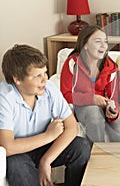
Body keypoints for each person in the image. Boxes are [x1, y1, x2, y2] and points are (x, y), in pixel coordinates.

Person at [0, 44, 91, 186]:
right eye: (37, 76)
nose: (44, 79)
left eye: (45, 72)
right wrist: (49, 135)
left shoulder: (49, 88)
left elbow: (71, 127)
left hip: (43, 148)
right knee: (18, 168)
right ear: (17, 79)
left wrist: (46, 160)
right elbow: (8, 146)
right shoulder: (4, 97)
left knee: (81, 147)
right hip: (17, 153)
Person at [60, 25, 120, 142]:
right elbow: (65, 94)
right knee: (94, 114)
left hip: (104, 104)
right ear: (85, 45)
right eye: (98, 41)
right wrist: (92, 99)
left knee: (118, 120)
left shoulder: (110, 67)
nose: (104, 46)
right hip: (82, 105)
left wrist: (112, 110)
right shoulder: (72, 63)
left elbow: (113, 97)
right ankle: (97, 156)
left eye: (105, 42)